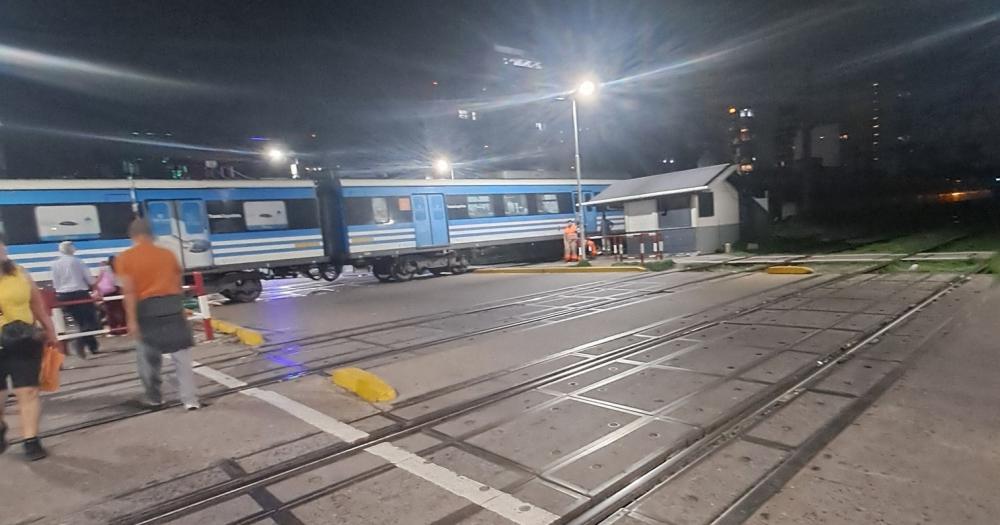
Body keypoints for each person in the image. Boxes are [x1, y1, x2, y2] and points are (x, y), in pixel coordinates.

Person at [114, 219, 200, 410]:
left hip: (146, 311)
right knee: (182, 358)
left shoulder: (125, 258)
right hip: (172, 307)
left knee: (148, 360)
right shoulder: (167, 254)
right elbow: (178, 282)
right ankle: (190, 400)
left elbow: (129, 292)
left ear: (133, 236)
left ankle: (155, 398)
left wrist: (131, 320)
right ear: (151, 235)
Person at [0, 234, 59, 460]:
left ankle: (31, 440)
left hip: (24, 340)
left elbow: (37, 304)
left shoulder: (20, 273)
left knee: (28, 391)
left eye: (1, 243)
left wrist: (50, 330)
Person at [51, 241, 101, 358]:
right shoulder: (78, 262)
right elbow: (89, 279)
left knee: (79, 322)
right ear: (71, 249)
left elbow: (55, 283)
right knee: (89, 321)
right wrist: (95, 286)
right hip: (80, 293)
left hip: (63, 295)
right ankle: (80, 343)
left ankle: (92, 346)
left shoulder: (55, 264)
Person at [96, 256, 125, 334]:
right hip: (117, 290)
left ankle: (113, 329)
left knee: (110, 311)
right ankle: (123, 328)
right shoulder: (118, 269)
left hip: (107, 292)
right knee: (121, 310)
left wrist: (96, 289)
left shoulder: (104, 268)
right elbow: (120, 281)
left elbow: (98, 280)